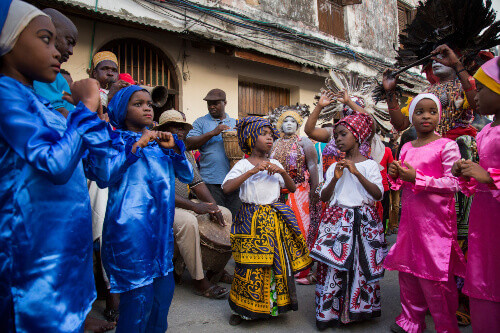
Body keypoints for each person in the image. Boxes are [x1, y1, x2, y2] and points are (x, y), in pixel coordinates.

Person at [0, 1, 122, 331]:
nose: (59, 52)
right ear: (7, 40)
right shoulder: (5, 95)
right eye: (46, 39)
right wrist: (84, 107)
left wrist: (93, 115)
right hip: (29, 256)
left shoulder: (48, 109)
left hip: (64, 248)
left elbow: (100, 171)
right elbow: (55, 165)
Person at [84, 85, 193, 332]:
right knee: (137, 302)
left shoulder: (160, 143)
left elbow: (186, 175)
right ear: (122, 109)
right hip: (129, 236)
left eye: (149, 104)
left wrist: (175, 150)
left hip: (160, 236)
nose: (147, 108)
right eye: (138, 104)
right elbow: (105, 176)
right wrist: (136, 146)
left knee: (162, 297)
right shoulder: (114, 140)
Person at [385, 94, 466, 333]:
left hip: (437, 225)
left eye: (432, 111)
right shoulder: (407, 147)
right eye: (420, 112)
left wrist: (417, 178)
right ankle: (410, 321)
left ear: (439, 115)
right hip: (410, 223)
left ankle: (445, 326)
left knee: (436, 279)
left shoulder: (447, 146)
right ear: (412, 117)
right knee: (408, 273)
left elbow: (454, 184)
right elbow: (401, 182)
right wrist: (394, 174)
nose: (426, 116)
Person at [222, 116, 312, 325]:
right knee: (247, 265)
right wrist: (252, 171)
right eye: (264, 134)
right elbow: (226, 188)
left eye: (271, 135)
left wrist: (281, 171)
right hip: (249, 220)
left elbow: (290, 188)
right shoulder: (242, 164)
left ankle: (270, 308)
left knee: (273, 265)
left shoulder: (275, 163)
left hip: (272, 220)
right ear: (251, 138)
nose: (270, 139)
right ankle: (243, 310)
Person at [310, 112, 386, 330]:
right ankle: (330, 312)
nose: (338, 140)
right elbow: (324, 197)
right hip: (338, 222)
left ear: (358, 135)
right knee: (334, 266)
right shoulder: (334, 167)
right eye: (336, 136)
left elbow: (378, 194)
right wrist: (335, 178)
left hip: (363, 221)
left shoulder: (370, 166)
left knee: (359, 266)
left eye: (343, 134)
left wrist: (357, 173)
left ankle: (354, 311)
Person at [155, 109, 232, 299]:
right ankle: (199, 281)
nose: (180, 131)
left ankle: (216, 270)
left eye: (182, 127)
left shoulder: (184, 151)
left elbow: (197, 183)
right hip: (161, 208)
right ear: (163, 129)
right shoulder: (155, 152)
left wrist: (213, 206)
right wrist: (195, 207)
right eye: (175, 127)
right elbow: (161, 191)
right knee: (187, 222)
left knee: (226, 213)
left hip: (185, 204)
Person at [452, 56, 500, 333]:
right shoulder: (484, 133)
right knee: (483, 279)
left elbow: (490, 176)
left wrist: (489, 177)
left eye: (481, 88)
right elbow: (483, 177)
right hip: (483, 219)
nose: (474, 96)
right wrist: (469, 172)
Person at [270, 107, 319, 285]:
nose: (289, 124)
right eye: (286, 121)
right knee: (280, 230)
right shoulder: (274, 143)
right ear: (281, 124)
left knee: (300, 229)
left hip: (299, 192)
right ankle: (283, 266)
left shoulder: (304, 142)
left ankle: (302, 269)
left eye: (292, 121)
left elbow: (313, 166)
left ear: (298, 124)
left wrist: (315, 189)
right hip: (276, 193)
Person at [186, 88, 240, 216]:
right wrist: (213, 133)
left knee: (235, 218)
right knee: (217, 219)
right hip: (211, 181)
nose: (211, 106)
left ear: (225, 103)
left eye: (215, 103)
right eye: (209, 103)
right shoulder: (201, 122)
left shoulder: (235, 123)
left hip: (234, 180)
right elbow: (189, 143)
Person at [32, 8, 77, 118]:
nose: (71, 51)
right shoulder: (40, 71)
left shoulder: (58, 78)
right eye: (69, 42)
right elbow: (57, 113)